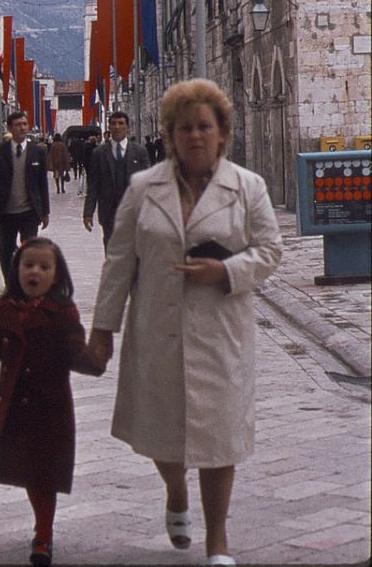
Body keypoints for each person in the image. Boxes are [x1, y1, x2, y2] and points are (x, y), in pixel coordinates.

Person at [88, 79, 283, 567]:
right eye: (184, 127)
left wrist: (228, 270)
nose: (195, 136)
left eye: (204, 126)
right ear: (170, 135)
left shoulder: (247, 188)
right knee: (160, 431)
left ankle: (218, 541)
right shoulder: (142, 188)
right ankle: (175, 491)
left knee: (220, 438)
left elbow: (271, 250)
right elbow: (119, 262)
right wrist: (102, 330)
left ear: (222, 132)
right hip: (157, 329)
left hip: (221, 331)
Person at [0, 237, 103, 567]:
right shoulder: (3, 311)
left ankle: (43, 535)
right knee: (29, 470)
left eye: (44, 267)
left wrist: (97, 358)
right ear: (16, 269)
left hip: (51, 407)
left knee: (44, 473)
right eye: (28, 265)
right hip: (16, 404)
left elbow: (77, 354)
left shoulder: (62, 313)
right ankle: (41, 526)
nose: (34, 272)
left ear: (57, 276)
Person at [0, 111, 50, 282]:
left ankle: (27, 285)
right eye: (18, 125)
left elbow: (42, 183)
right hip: (5, 211)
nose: (22, 128)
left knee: (29, 251)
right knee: (5, 251)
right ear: (10, 128)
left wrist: (45, 211)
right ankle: (10, 285)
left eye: (24, 124)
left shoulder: (37, 152)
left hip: (29, 211)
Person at [83, 111, 150, 249]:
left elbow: (148, 183)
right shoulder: (99, 153)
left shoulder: (139, 152)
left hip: (133, 210)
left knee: (134, 251)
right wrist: (88, 212)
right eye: (113, 124)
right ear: (109, 127)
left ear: (128, 127)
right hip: (109, 211)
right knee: (112, 250)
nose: (117, 127)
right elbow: (93, 185)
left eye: (121, 123)